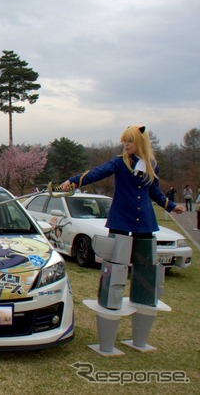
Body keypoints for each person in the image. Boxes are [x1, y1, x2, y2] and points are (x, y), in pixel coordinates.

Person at [60, 125, 184, 353]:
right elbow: (97, 172)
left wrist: (171, 205)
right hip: (121, 218)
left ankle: (144, 298)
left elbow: (154, 192)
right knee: (115, 264)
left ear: (141, 143)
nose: (125, 145)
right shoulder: (120, 162)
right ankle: (110, 300)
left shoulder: (151, 165)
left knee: (146, 264)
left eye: (130, 141)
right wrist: (74, 181)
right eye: (124, 141)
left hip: (144, 220)